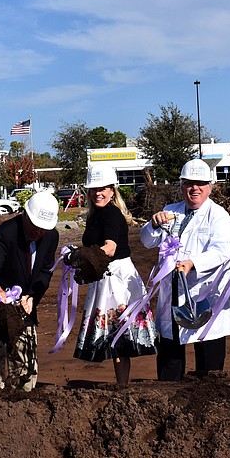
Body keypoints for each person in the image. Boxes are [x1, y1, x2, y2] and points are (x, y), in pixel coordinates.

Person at [140, 158, 230, 381]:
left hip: (205, 295)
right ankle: (168, 400)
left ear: (210, 187)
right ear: (182, 186)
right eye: (189, 183)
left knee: (209, 366)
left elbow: (222, 252)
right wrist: (153, 224)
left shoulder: (219, 216)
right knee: (170, 360)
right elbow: (147, 241)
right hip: (174, 295)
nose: (194, 188)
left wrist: (193, 263)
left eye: (200, 183)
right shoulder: (170, 211)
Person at [0, 191, 60, 391]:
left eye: (43, 228)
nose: (38, 232)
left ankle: (26, 394)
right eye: (35, 226)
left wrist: (33, 296)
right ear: (25, 215)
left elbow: (45, 271)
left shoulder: (51, 236)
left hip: (24, 300)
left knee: (26, 351)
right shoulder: (6, 233)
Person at [73, 164, 157, 386]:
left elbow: (109, 248)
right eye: (94, 189)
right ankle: (122, 384)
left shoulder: (110, 214)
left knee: (119, 333)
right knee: (116, 334)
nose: (98, 193)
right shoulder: (96, 215)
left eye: (103, 188)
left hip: (116, 277)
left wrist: (82, 258)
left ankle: (123, 385)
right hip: (105, 275)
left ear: (112, 190)